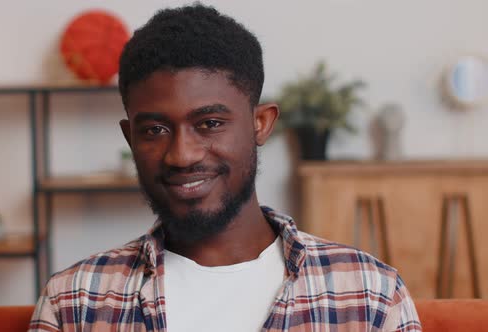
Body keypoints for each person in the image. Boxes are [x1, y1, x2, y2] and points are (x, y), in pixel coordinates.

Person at [29, 4, 421, 331]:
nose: (181, 155)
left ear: (261, 123)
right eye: (155, 129)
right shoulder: (74, 302)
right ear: (131, 137)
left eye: (210, 124)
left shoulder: (370, 296)